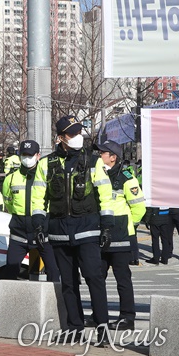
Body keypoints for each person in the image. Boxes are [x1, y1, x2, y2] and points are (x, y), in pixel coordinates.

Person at [31, 115, 112, 343]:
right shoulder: (46, 164)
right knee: (68, 283)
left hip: (87, 230)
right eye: (72, 134)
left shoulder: (93, 161)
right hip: (58, 232)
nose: (78, 137)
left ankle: (102, 328)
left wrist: (106, 226)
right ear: (60, 138)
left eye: (79, 132)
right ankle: (74, 328)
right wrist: (38, 225)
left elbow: (105, 196)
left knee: (94, 278)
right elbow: (38, 199)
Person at [95, 140, 146, 331]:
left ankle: (127, 317)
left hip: (121, 236)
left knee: (122, 278)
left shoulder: (126, 178)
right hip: (101, 234)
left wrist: (127, 225)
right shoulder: (96, 175)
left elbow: (139, 207)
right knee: (96, 277)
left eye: (102, 153)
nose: (99, 156)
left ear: (112, 157)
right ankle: (98, 314)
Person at [2, 140, 60, 282]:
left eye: (30, 155)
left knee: (53, 269)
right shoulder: (10, 178)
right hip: (19, 231)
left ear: (38, 155)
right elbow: (7, 201)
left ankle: (56, 302)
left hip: (42, 229)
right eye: (24, 155)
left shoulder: (46, 176)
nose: (27, 158)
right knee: (10, 270)